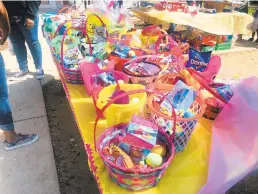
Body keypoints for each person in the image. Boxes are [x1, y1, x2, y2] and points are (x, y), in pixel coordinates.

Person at [0, 0, 39, 150]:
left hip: (23, 16)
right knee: (1, 96)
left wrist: (29, 15)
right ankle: (12, 139)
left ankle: (37, 67)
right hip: (12, 20)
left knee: (32, 43)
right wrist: (4, 34)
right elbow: (1, 11)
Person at [3, 1, 44, 79]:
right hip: (9, 18)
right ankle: (23, 69)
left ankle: (39, 68)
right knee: (17, 44)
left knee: (33, 42)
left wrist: (30, 15)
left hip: (26, 16)